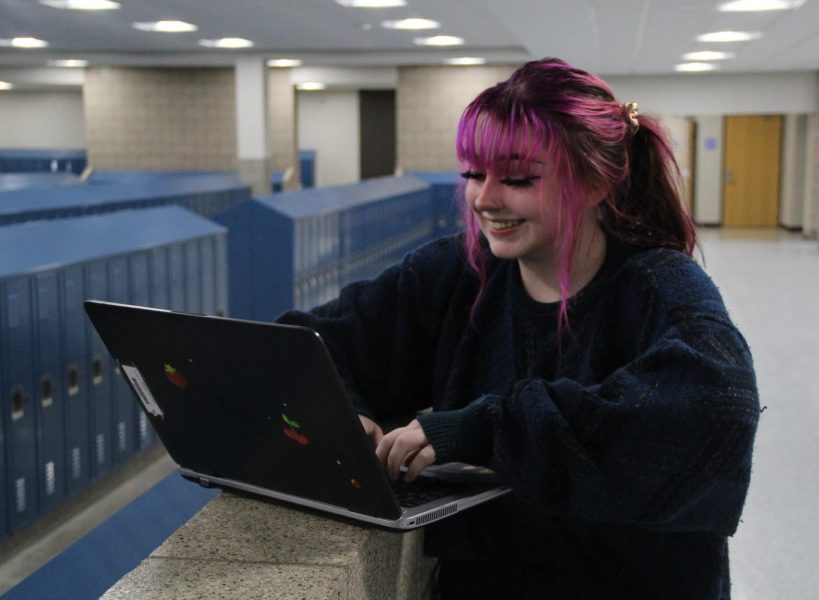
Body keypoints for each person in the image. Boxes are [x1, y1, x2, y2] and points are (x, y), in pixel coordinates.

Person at [277, 58, 759, 599]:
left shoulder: (659, 287)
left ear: (596, 182)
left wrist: (487, 430)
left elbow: (716, 405)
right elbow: (306, 345)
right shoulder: (459, 275)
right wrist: (341, 409)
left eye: (518, 178)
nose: (485, 199)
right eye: (474, 175)